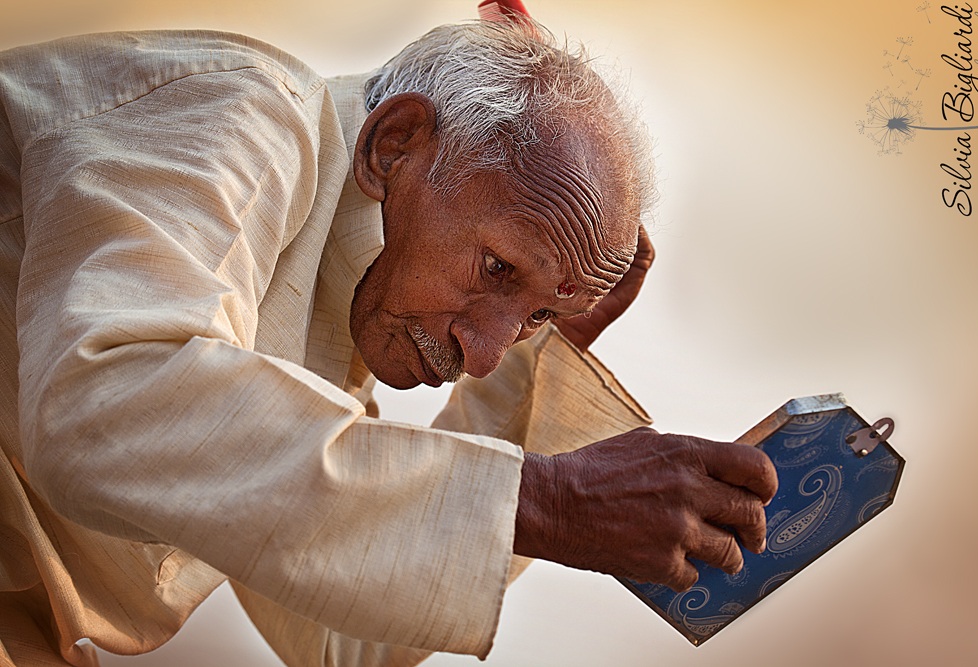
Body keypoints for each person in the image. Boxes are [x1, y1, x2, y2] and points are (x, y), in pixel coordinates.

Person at [0, 15, 778, 667]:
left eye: (535, 316)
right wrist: (548, 501)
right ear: (393, 145)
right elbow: (102, 408)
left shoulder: (349, 299)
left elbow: (344, 642)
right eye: (500, 268)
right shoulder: (237, 113)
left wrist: (544, 375)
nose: (484, 354)